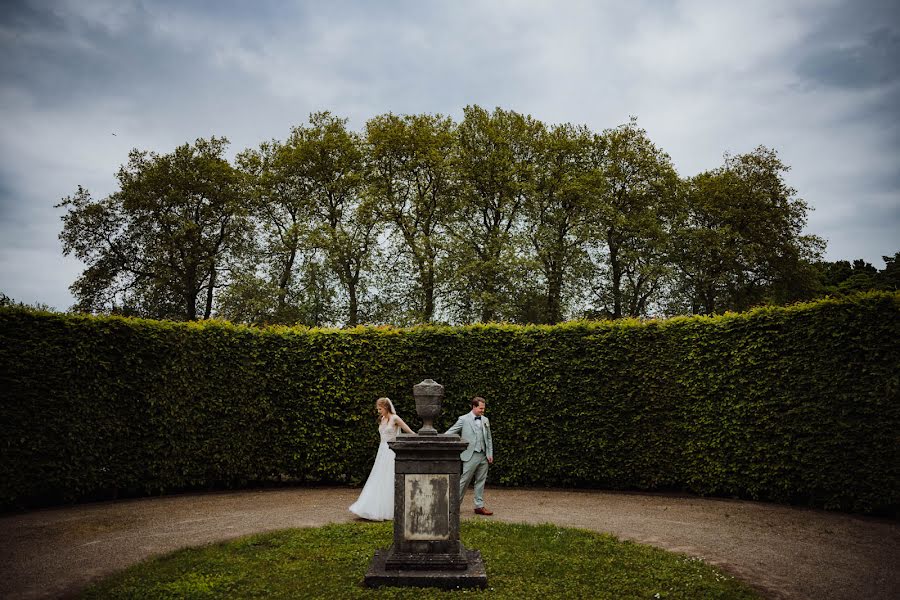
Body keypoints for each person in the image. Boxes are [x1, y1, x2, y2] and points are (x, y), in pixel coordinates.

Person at [349, 397, 414, 521]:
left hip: (392, 451)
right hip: (382, 451)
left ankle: (392, 508)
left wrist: (418, 438)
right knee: (379, 477)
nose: (379, 411)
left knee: (390, 477)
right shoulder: (383, 419)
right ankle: (371, 506)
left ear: (386, 407)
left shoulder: (395, 418)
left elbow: (408, 430)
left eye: (380, 409)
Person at [445, 396, 494, 515]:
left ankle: (479, 506)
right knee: (464, 481)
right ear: (474, 406)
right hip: (470, 455)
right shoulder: (463, 419)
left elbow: (488, 438)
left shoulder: (485, 420)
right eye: (480, 408)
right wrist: (441, 440)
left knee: (481, 481)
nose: (483, 411)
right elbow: (451, 431)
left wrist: (489, 453)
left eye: (483, 409)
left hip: (483, 455)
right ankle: (453, 506)